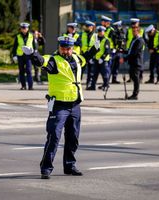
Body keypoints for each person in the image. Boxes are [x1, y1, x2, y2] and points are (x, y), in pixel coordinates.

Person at [21, 35, 99, 180]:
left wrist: (95, 48)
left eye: (69, 48)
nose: (66, 51)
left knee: (73, 137)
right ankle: (46, 168)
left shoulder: (76, 58)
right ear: (59, 47)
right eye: (63, 48)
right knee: (54, 137)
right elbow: (41, 61)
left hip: (75, 104)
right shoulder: (54, 60)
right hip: (59, 106)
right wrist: (32, 54)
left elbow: (85, 58)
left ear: (72, 48)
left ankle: (70, 165)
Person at [12, 22, 37, 90]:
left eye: (25, 28)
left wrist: (35, 53)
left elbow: (34, 46)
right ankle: (23, 86)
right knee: (21, 71)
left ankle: (30, 86)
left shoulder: (31, 36)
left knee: (29, 70)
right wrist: (14, 55)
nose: (24, 29)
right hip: (20, 55)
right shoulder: (18, 36)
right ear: (20, 29)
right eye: (22, 28)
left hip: (28, 55)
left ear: (27, 28)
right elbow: (15, 46)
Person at [123, 24, 145, 100]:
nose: (133, 32)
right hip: (132, 62)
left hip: (136, 62)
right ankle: (134, 94)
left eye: (134, 31)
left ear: (138, 32)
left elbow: (134, 53)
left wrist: (125, 59)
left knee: (136, 79)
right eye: (132, 31)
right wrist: (123, 51)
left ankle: (135, 95)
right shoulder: (134, 39)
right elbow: (130, 50)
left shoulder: (140, 40)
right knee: (133, 77)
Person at [89, 26, 111, 91]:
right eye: (99, 31)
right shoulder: (96, 39)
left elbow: (107, 51)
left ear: (104, 32)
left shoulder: (106, 40)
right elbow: (94, 49)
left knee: (104, 74)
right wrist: (92, 58)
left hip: (103, 60)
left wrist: (102, 58)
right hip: (96, 59)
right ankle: (93, 86)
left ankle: (106, 85)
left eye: (101, 31)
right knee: (94, 74)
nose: (100, 33)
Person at [125, 18, 144, 83]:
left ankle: (140, 77)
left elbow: (144, 39)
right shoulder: (129, 30)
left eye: (135, 23)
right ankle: (131, 77)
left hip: (138, 49)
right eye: (132, 24)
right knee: (131, 64)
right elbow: (126, 39)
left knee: (139, 64)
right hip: (130, 48)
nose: (133, 25)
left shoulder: (141, 30)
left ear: (138, 23)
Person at [81, 21, 98, 89]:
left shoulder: (95, 35)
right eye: (86, 26)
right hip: (84, 54)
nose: (86, 28)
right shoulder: (83, 34)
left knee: (91, 71)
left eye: (87, 27)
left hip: (91, 55)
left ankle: (89, 84)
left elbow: (97, 46)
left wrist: (94, 55)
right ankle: (78, 82)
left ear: (91, 27)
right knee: (81, 69)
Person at [101, 15, 116, 84]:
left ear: (107, 23)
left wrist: (114, 49)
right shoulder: (102, 30)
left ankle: (107, 82)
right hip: (103, 50)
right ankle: (106, 82)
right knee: (105, 67)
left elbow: (114, 41)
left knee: (108, 66)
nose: (101, 23)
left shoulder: (111, 30)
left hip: (110, 51)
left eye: (103, 22)